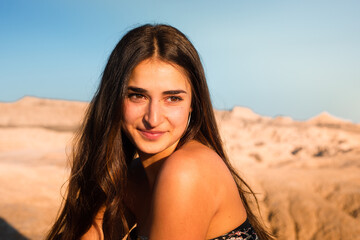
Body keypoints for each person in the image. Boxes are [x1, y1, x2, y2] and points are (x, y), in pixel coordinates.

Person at [46, 24, 274, 240]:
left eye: (172, 98)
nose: (153, 118)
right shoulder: (132, 178)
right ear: (114, 99)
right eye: (137, 95)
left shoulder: (187, 171)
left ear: (194, 104)